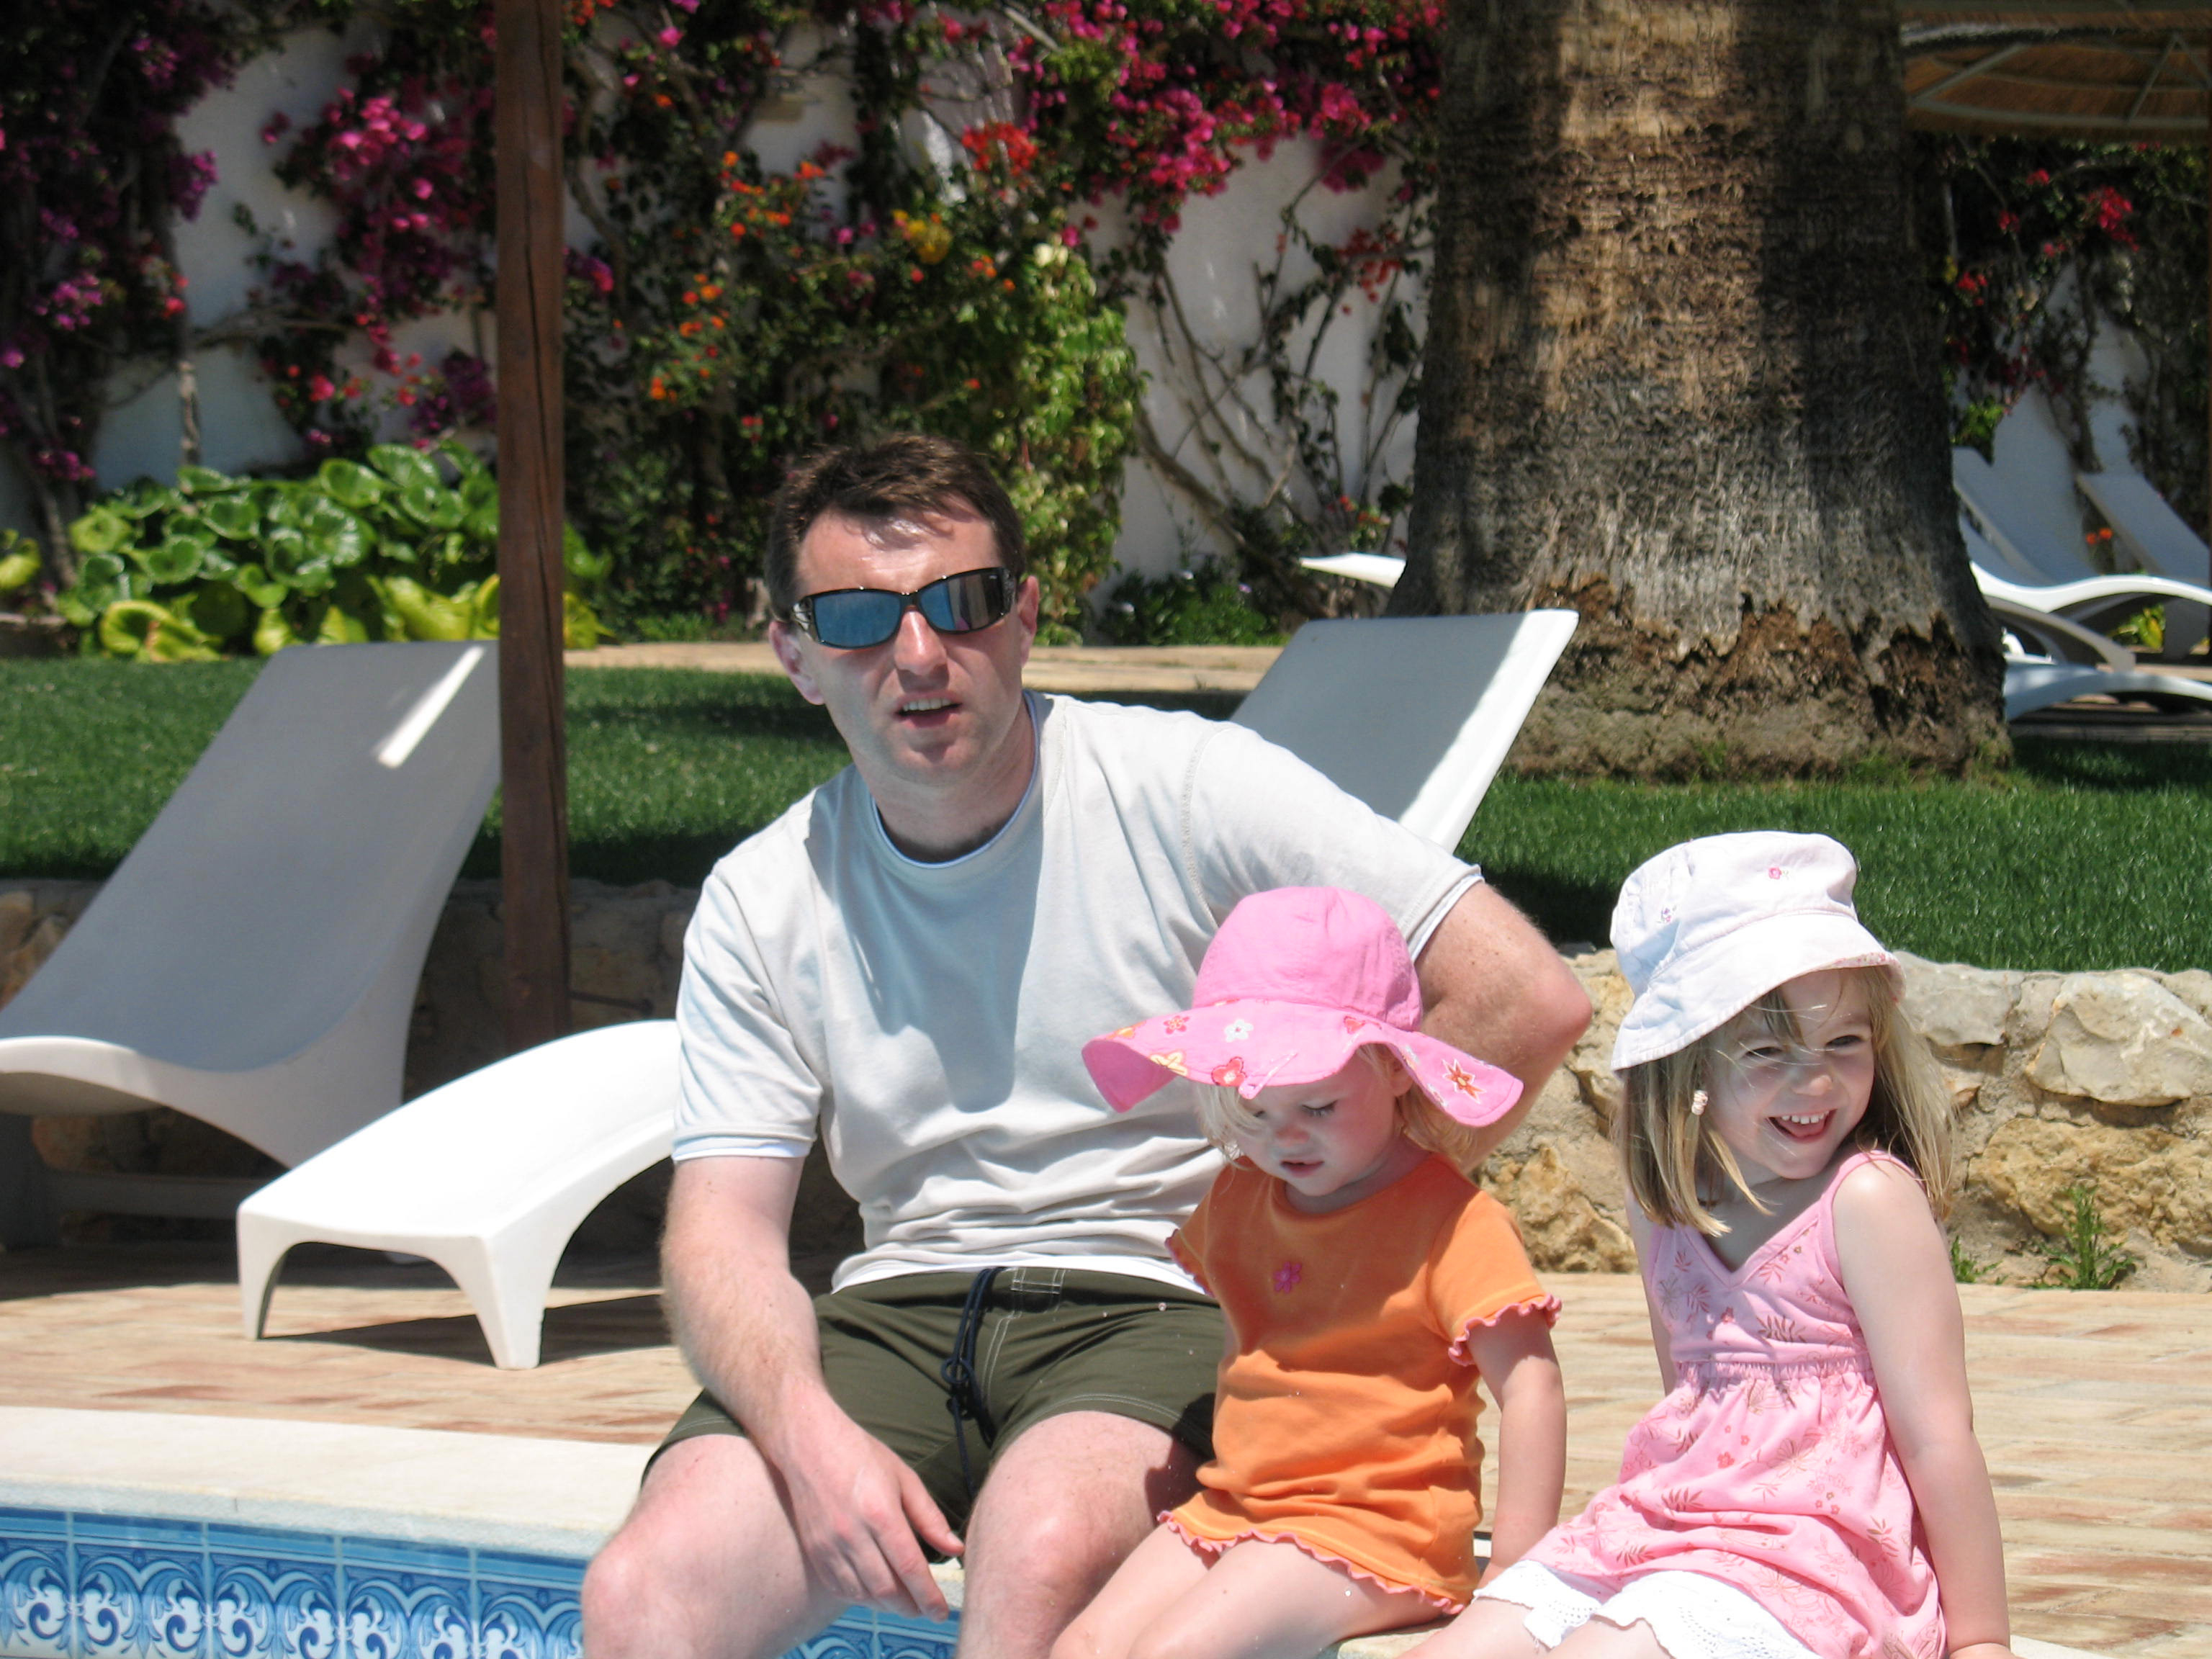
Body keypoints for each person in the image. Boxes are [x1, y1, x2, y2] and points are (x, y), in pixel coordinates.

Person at [580, 433, 1592, 1659]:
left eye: (961, 602)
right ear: (794, 653)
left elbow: (1521, 994)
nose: (919, 653)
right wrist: (804, 1434)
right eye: (856, 616)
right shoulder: (763, 895)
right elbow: (722, 1232)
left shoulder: (1186, 788)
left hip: (1151, 1296)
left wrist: (1342, 1220)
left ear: (1023, 618)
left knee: (1041, 1544)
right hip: (894, 1315)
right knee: (645, 1595)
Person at [1409, 832, 2015, 1659]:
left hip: (1812, 1560)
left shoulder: (1866, 1201)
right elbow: (1690, 1400)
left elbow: (1940, 1436)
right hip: (1670, 1526)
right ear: (1688, 1064)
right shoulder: (1668, 1202)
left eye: (1844, 1042)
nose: (1815, 1080)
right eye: (1765, 1051)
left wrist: (1982, 1640)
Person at [1056, 886, 1568, 1659]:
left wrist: (1515, 1572)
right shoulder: (1240, 1196)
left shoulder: (1452, 1222)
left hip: (1380, 1530)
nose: (1285, 1139)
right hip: (1238, 1505)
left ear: (1396, 1069)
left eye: (1319, 1107)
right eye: (1255, 1112)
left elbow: (1531, 1387)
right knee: (1084, 1648)